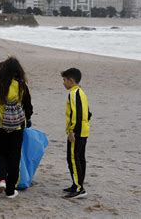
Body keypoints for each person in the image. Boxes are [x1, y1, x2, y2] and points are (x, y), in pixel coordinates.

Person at [0, 56, 33, 199]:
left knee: (1, 153)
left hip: (1, 125)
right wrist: (28, 119)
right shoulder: (22, 85)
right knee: (15, 156)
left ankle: (1, 179)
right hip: (17, 127)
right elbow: (28, 106)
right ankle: (10, 190)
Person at [61, 68, 91, 199]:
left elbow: (76, 114)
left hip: (77, 132)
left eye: (64, 80)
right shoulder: (82, 92)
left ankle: (79, 188)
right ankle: (76, 184)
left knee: (73, 159)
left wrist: (72, 131)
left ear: (71, 80)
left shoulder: (73, 94)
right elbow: (88, 113)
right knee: (80, 158)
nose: (63, 83)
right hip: (84, 130)